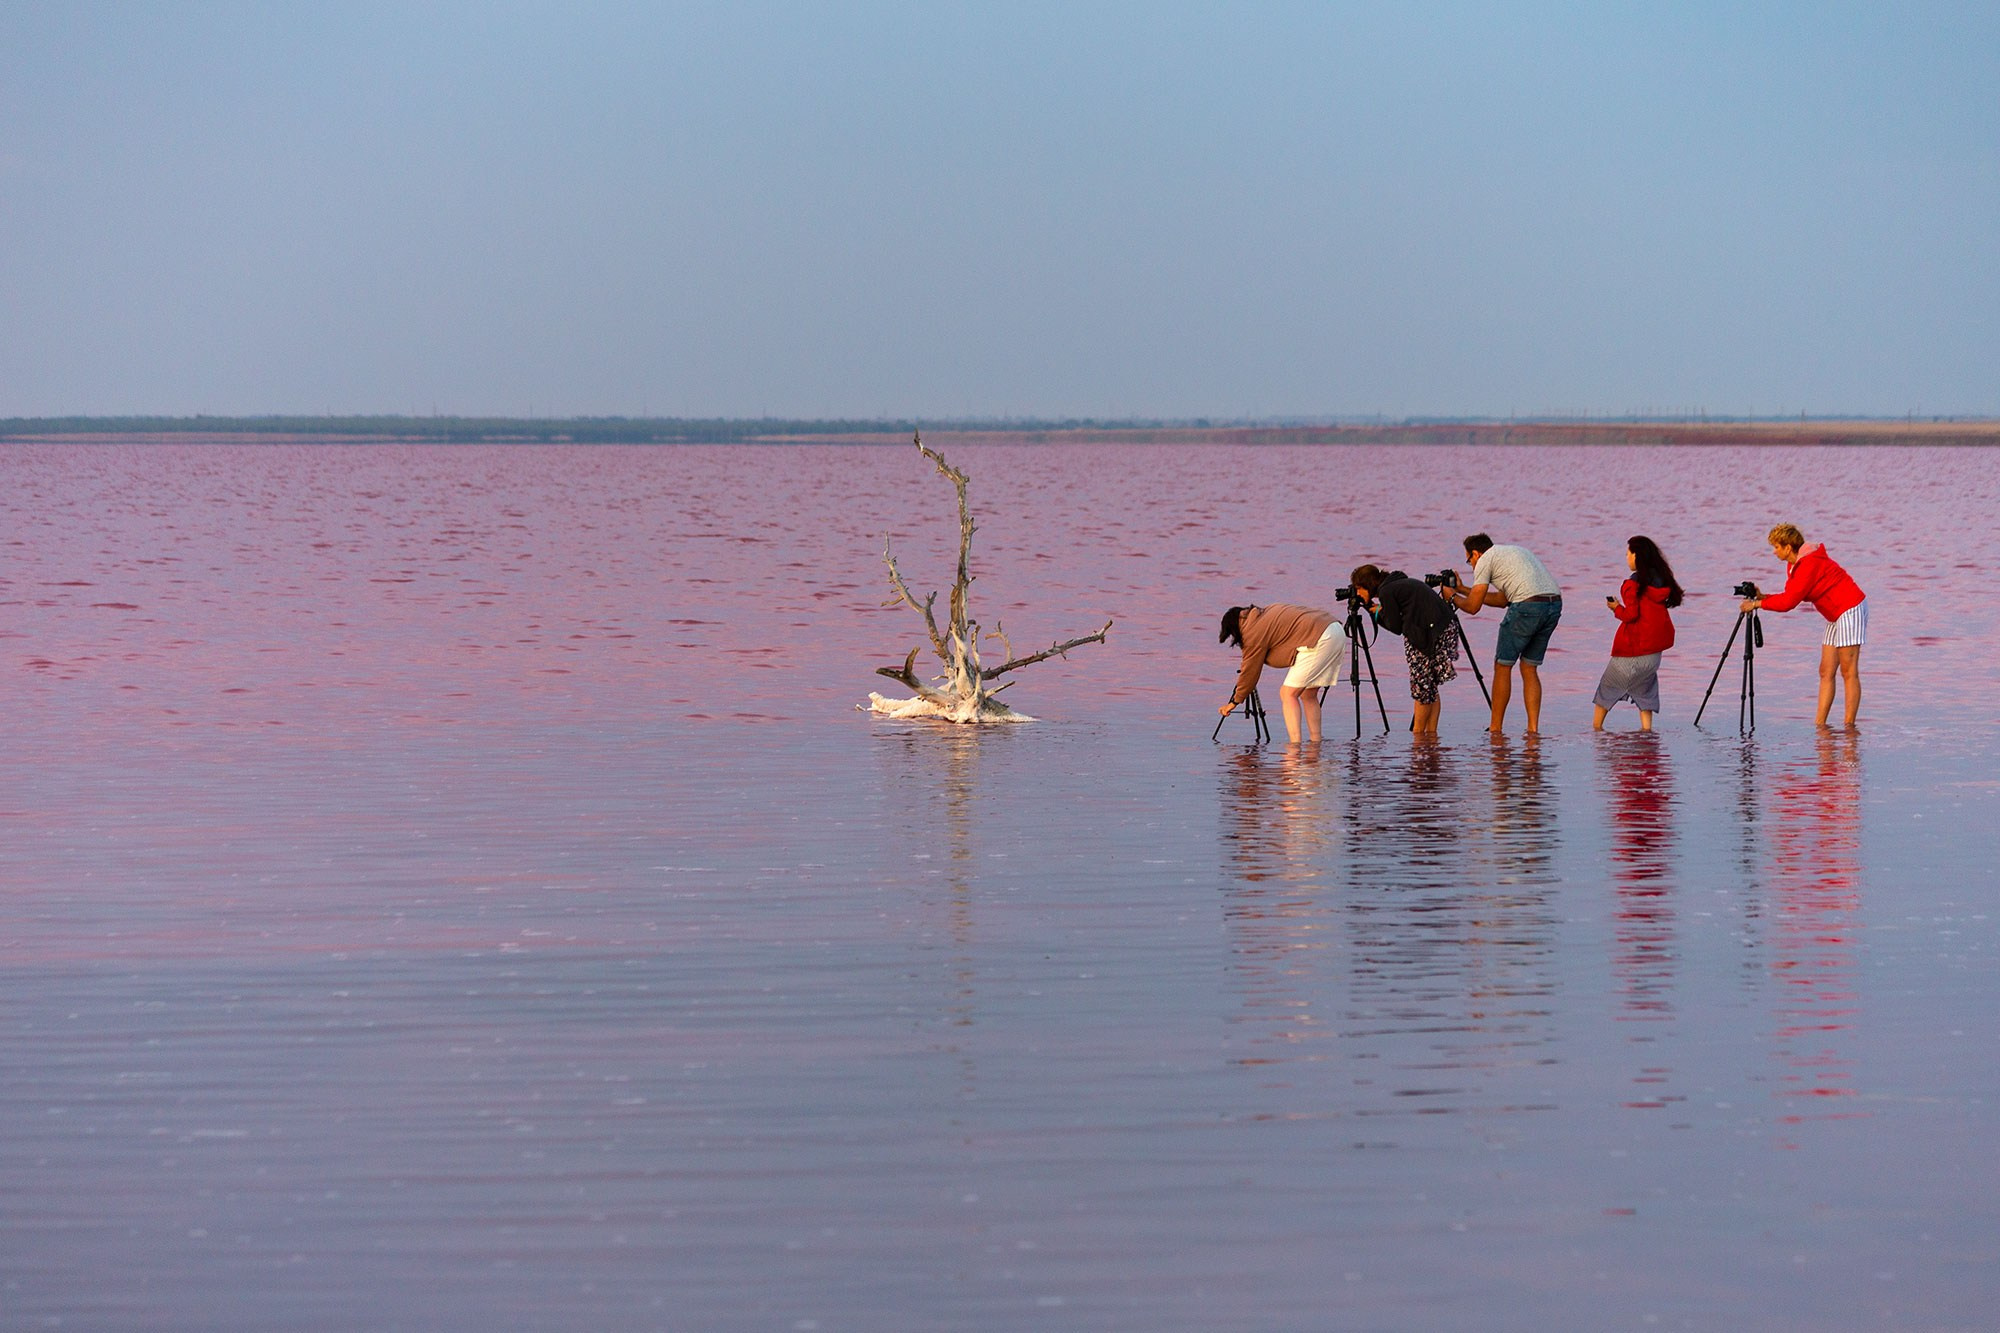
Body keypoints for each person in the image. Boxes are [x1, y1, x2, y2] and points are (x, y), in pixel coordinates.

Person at [1740, 523, 1867, 727]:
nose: (1774, 552)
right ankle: (1820, 726)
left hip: (1850, 608)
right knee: (1825, 671)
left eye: (1776, 547)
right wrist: (1763, 597)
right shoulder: (1794, 565)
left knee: (1848, 671)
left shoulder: (1808, 564)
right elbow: (1790, 596)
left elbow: (1788, 603)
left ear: (1788, 547)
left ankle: (1849, 728)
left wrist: (1756, 604)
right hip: (1835, 615)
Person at [1440, 533, 1563, 734]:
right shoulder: (1514, 552)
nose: (1472, 565)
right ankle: (1533, 730)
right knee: (1529, 667)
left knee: (1503, 665)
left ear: (1475, 554)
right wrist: (1461, 589)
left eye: (1469, 560)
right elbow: (1502, 600)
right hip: (1553, 605)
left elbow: (1473, 607)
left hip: (1527, 606)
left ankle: (1496, 729)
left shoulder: (1485, 560)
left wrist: (1452, 597)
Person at [1348, 565, 1457, 735]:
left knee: (1422, 688)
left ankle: (1418, 737)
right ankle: (1431, 736)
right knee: (1430, 686)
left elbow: (1395, 627)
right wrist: (1379, 610)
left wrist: (1374, 611)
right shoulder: (1397, 583)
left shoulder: (1386, 592)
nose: (1358, 593)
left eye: (1358, 589)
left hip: (1427, 633)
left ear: (1367, 585)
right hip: (1444, 627)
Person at [1218, 603, 1344, 744]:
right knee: (1308, 694)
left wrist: (1234, 702)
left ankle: (1294, 747)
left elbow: (1249, 672)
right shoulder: (1266, 613)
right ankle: (1316, 743)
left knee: (1288, 694)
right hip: (1335, 629)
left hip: (1321, 637)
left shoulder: (1251, 631)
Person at [1593, 535, 1683, 732]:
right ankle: (1646, 732)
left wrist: (1616, 608)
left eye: (1628, 554)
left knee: (1607, 689)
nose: (1626, 558)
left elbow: (1631, 615)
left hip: (1633, 649)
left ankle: (1597, 731)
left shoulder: (1633, 584)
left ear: (1636, 556)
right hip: (1654, 653)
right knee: (1645, 692)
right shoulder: (1662, 582)